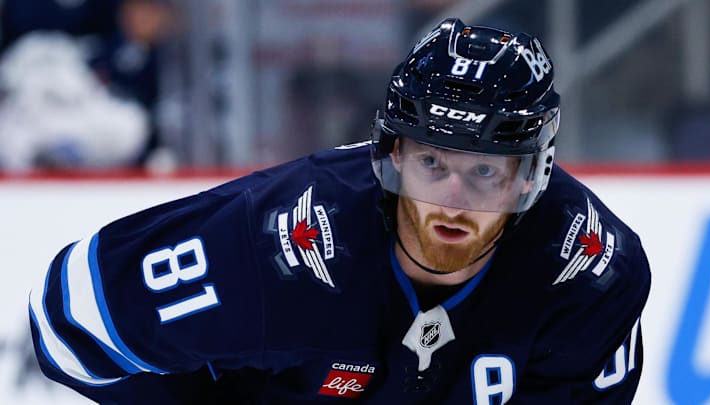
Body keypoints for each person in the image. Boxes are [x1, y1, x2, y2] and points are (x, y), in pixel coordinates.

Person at [29, 18, 651, 404]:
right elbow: (70, 318)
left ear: (530, 178)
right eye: (433, 163)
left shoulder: (588, 273)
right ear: (392, 155)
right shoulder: (282, 243)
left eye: (486, 170)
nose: (452, 204)